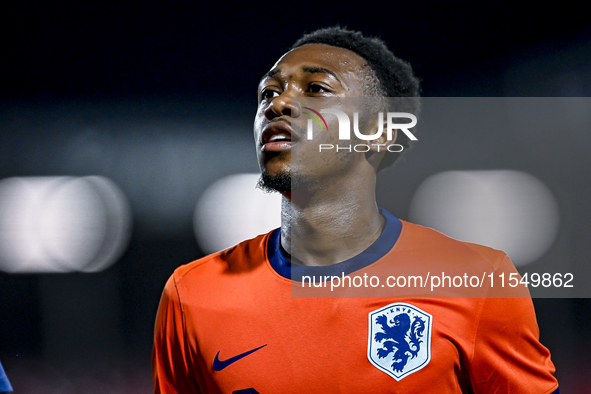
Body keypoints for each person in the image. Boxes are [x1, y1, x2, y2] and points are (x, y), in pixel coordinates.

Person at [152, 26, 559, 393]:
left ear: (379, 133)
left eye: (316, 89)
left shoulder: (477, 279)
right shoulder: (191, 295)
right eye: (269, 93)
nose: (278, 105)